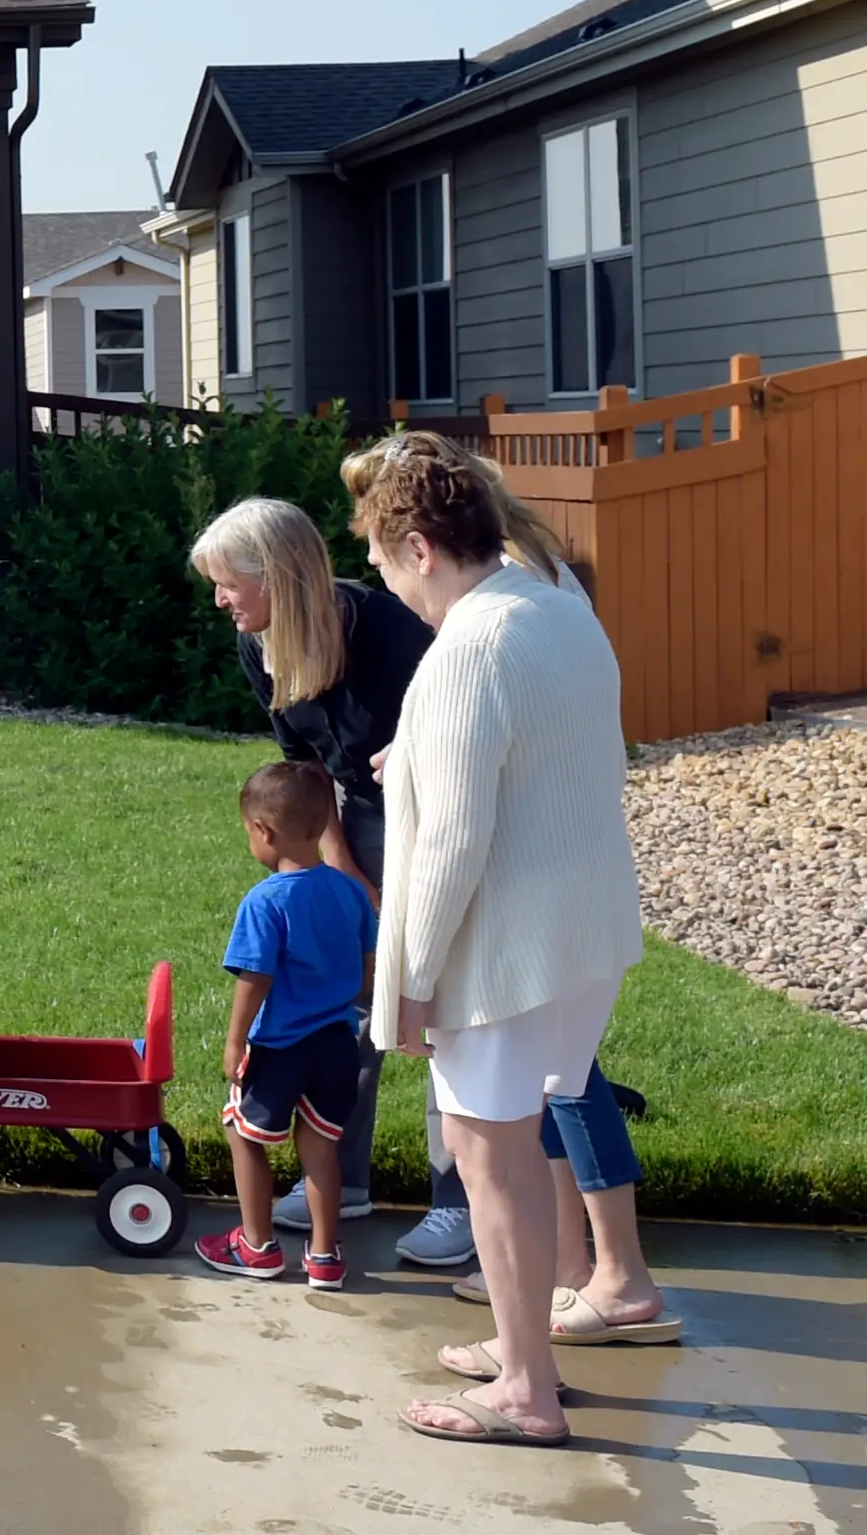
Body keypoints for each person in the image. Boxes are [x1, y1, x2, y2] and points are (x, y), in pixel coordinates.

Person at [347, 432, 645, 1448]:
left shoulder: (468, 646)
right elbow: (550, 754)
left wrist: (412, 981)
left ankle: (525, 1388)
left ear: (422, 548)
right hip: (585, 929)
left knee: (489, 1154)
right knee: (525, 1137)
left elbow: (455, 843)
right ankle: (531, 1339)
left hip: (503, 950)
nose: (390, 591)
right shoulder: (561, 607)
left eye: (386, 567)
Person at [433, 448, 681, 1347]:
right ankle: (574, 1272)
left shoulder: (507, 607)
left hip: (536, 905)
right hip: (580, 893)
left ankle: (608, 1276)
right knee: (559, 1090)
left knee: (552, 1100)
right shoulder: (553, 590)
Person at [188, 496, 466, 1262]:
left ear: (276, 576)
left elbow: (460, 722)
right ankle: (339, 1182)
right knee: (350, 994)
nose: (219, 600)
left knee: (442, 999)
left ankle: (462, 1200)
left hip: (443, 810)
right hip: (354, 809)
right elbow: (308, 769)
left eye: (228, 584)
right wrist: (343, 870)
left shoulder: (381, 630)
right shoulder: (261, 644)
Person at [194, 758, 374, 1289]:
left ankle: (256, 1246)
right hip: (339, 1042)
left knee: (241, 1131)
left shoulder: (264, 901)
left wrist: (234, 1043)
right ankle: (324, 1256)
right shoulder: (350, 892)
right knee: (320, 1144)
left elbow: (254, 979)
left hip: (280, 1046)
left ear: (263, 831)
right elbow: (365, 969)